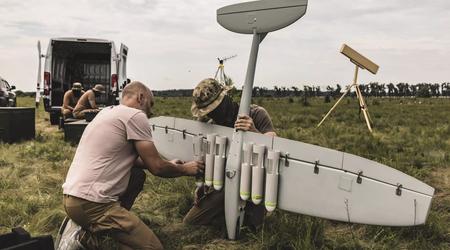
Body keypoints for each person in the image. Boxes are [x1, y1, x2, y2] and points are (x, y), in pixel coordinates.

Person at [62, 81, 204, 249]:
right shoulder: (136, 116)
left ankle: (95, 235)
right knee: (153, 247)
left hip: (72, 199)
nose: (151, 111)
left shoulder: (107, 112)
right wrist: (186, 169)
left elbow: (128, 158)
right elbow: (156, 167)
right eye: (150, 104)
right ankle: (89, 239)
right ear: (141, 97)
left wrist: (169, 163)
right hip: (94, 204)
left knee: (137, 175)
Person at [183, 78, 276, 228]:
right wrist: (203, 185)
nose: (213, 114)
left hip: (255, 182)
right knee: (191, 222)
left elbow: (273, 146)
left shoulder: (256, 114)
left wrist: (253, 132)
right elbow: (210, 161)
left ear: (226, 98)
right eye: (209, 111)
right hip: (225, 183)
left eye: (216, 108)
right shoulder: (211, 125)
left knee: (252, 228)